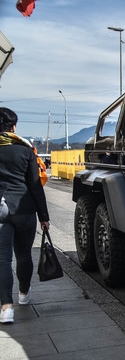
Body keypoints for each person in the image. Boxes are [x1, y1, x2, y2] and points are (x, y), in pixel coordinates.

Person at [0, 107, 50, 324]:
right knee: (24, 254)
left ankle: (6, 308)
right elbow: (35, 186)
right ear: (13, 127)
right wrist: (44, 216)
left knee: (2, 258)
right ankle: (23, 295)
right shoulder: (26, 150)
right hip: (24, 209)